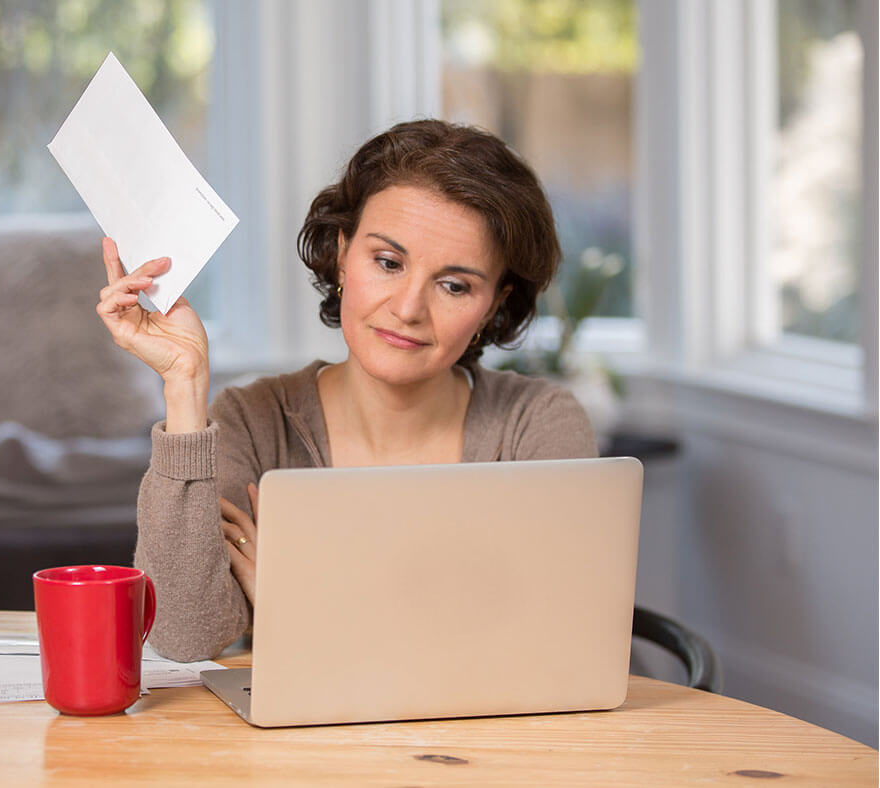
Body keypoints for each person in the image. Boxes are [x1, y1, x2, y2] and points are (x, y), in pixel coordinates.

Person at [95, 120, 598, 662]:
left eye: (454, 285)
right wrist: (185, 385)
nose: (408, 309)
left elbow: (550, 648)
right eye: (388, 262)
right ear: (341, 254)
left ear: (494, 306)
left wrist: (305, 608)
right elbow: (182, 633)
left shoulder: (538, 427)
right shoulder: (255, 420)